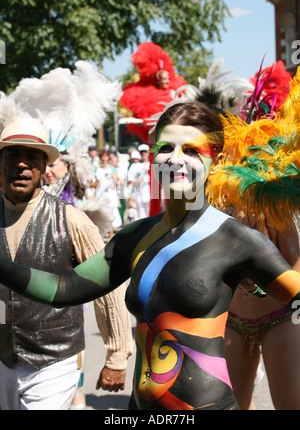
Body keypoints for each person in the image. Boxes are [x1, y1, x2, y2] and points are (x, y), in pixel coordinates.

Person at [1, 102, 300, 411]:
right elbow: (61, 289)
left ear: (217, 160)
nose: (175, 159)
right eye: (165, 148)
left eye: (192, 151)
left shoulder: (237, 239)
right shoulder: (133, 238)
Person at [0, 117, 132, 410]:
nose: (21, 164)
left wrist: (117, 354)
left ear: (44, 167)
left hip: (54, 359)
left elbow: (107, 288)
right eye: (12, 155)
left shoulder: (70, 219)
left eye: (31, 157)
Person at [44, 154, 132, 409]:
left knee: (72, 343)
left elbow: (105, 281)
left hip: (68, 288)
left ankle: (78, 394)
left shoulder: (71, 209)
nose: (49, 171)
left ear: (67, 168)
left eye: (53, 165)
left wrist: (117, 353)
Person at [225, 211, 300, 410]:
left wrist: (259, 282)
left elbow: (296, 272)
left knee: (290, 404)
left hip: (280, 318)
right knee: (234, 405)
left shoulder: (274, 206)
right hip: (233, 319)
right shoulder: (215, 197)